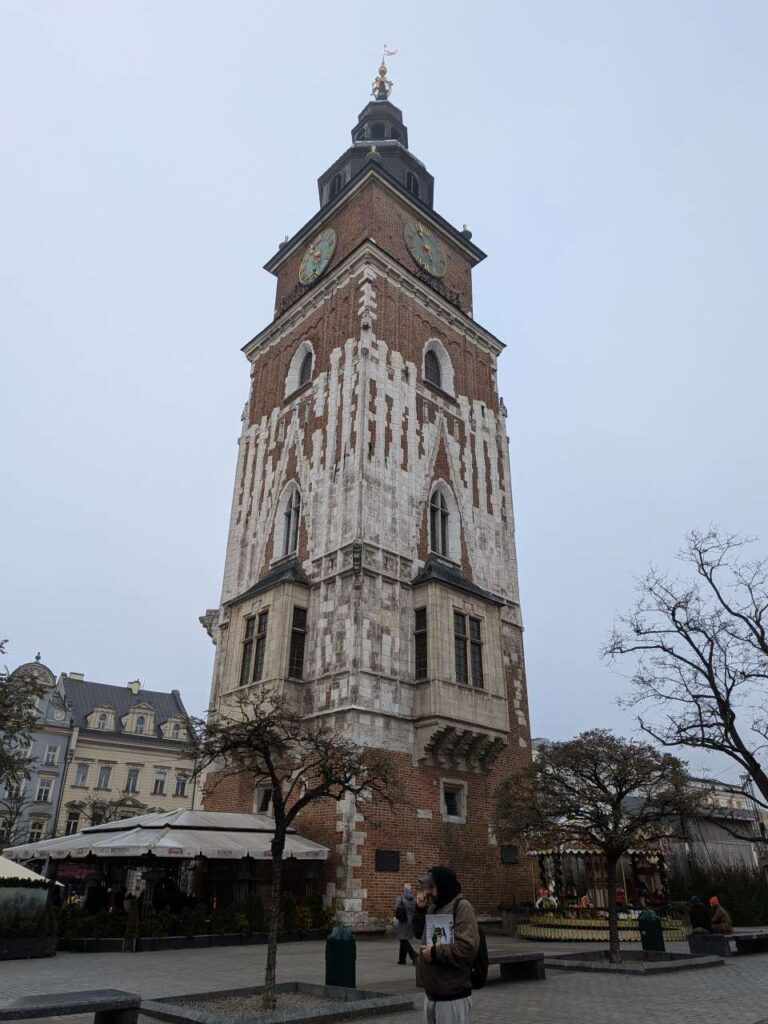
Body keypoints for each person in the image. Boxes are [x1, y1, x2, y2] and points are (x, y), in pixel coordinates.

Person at [412, 866, 479, 1024]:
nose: (428, 892)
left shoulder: (462, 907)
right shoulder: (435, 907)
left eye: (432, 887)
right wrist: (420, 910)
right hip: (433, 993)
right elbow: (418, 933)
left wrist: (435, 953)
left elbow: (467, 947)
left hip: (452, 996)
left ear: (443, 885)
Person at [394, 883, 418, 965]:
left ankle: (413, 954)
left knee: (402, 939)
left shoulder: (400, 898)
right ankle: (402, 959)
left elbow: (396, 909)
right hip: (411, 920)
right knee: (404, 938)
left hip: (403, 920)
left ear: (404, 889)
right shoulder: (414, 899)